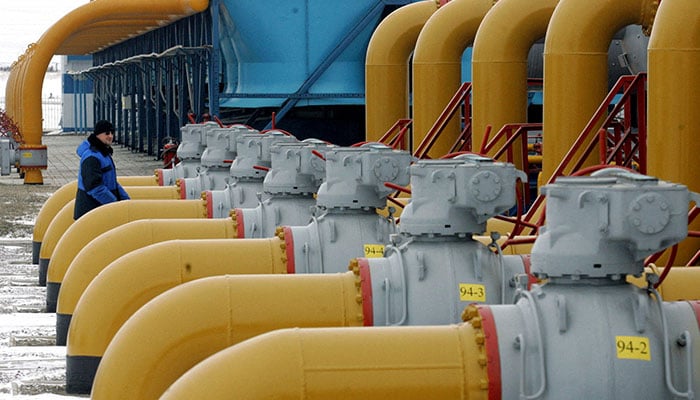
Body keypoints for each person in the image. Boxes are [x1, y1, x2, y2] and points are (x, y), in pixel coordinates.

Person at [73, 120, 130, 219]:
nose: (111, 136)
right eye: (107, 133)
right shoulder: (92, 157)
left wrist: (126, 201)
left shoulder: (102, 154)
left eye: (112, 133)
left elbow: (112, 182)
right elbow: (94, 187)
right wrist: (114, 204)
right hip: (91, 212)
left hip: (100, 209)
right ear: (98, 135)